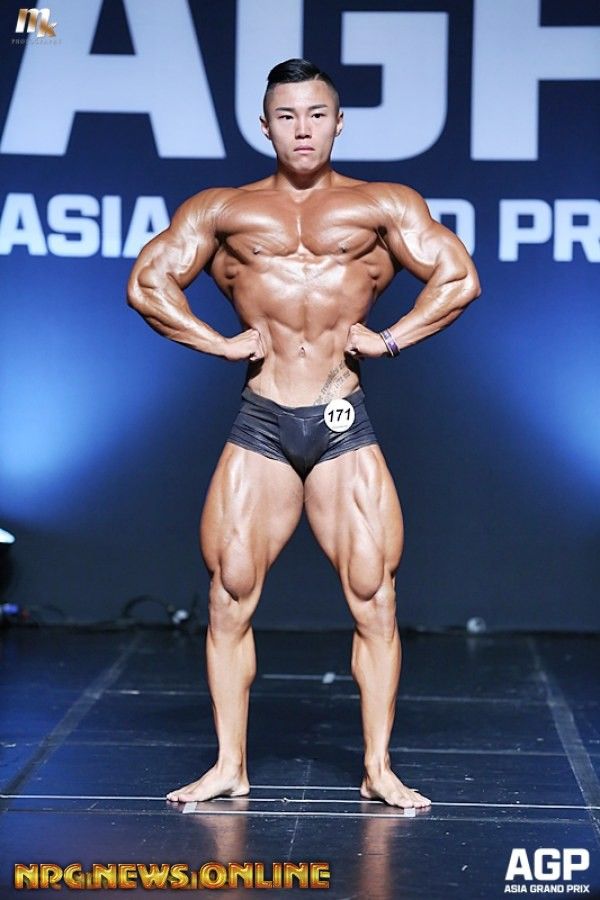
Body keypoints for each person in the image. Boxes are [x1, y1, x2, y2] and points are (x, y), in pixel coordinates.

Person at [127, 59, 481, 810]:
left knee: (373, 595)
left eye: (316, 114)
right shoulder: (222, 210)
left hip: (340, 414)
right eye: (286, 116)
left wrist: (390, 339)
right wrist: (215, 343)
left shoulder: (381, 204)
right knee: (230, 592)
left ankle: (378, 768)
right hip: (262, 416)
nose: (303, 130)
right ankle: (230, 765)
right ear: (265, 126)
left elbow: (458, 277)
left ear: (339, 122)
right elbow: (147, 283)